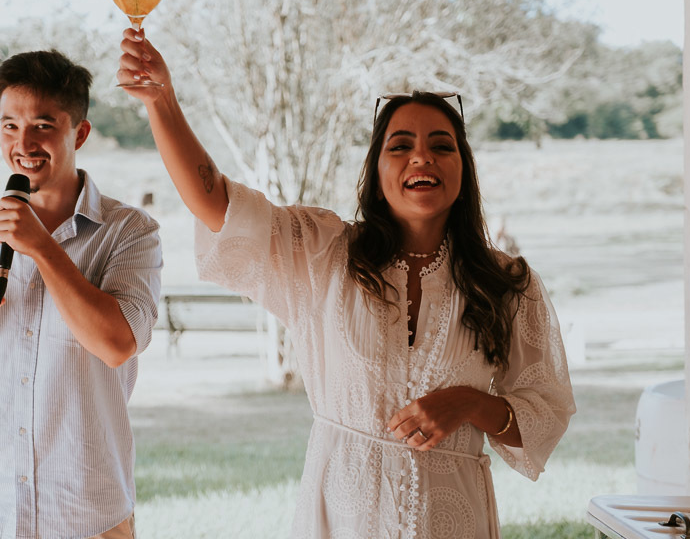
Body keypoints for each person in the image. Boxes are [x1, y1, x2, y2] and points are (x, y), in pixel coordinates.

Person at [118, 29, 575, 539]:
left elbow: (544, 414)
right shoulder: (324, 254)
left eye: (441, 146)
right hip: (342, 517)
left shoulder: (507, 284)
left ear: (463, 170)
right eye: (400, 146)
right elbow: (218, 206)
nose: (421, 157)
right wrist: (162, 102)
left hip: (454, 521)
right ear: (376, 175)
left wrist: (470, 403)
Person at [0, 49, 162, 539]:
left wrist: (42, 247)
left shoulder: (130, 232)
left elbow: (118, 344)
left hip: (84, 515)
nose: (23, 143)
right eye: (9, 126)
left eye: (42, 126)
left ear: (80, 133)